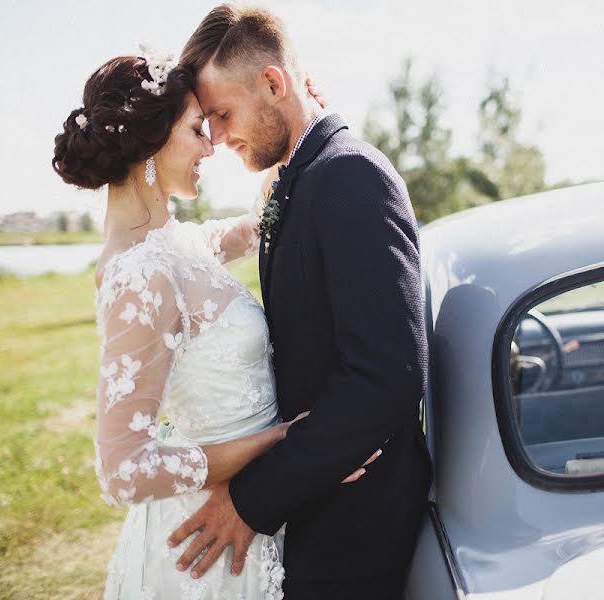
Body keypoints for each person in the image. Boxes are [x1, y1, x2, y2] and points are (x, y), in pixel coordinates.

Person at [52, 45, 369, 599]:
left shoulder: (176, 244)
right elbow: (124, 468)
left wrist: (297, 126)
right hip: (208, 544)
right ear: (151, 143)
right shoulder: (140, 275)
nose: (211, 145)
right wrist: (284, 444)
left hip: (254, 513)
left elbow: (258, 222)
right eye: (199, 129)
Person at [167, 4, 433, 599]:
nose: (216, 135)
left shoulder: (351, 177)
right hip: (317, 509)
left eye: (222, 113)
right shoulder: (304, 178)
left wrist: (254, 500)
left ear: (272, 83)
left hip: (355, 528)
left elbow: (386, 376)